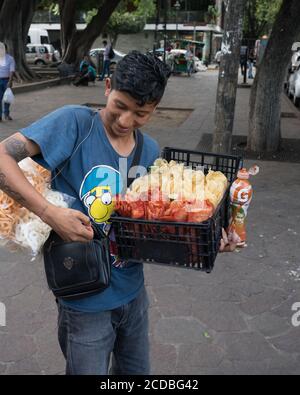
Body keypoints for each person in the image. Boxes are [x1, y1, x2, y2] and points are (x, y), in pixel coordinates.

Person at [0, 51, 237, 375]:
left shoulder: (151, 151)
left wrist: (209, 238)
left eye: (140, 113)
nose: (126, 121)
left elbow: (158, 228)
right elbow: (2, 155)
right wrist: (49, 213)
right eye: (120, 106)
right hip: (82, 298)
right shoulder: (74, 123)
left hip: (132, 294)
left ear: (154, 109)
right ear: (108, 86)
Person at [0, 42, 15, 122]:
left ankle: (6, 114)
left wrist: (10, 81)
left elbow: (11, 71)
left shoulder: (10, 58)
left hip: (6, 80)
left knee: (7, 98)